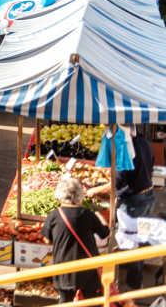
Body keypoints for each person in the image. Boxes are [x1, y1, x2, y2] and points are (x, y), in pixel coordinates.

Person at [88, 126, 154, 292]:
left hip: (134, 203)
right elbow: (149, 167)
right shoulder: (144, 142)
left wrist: (94, 191)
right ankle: (135, 278)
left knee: (131, 242)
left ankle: (133, 284)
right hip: (149, 199)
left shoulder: (125, 149)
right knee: (140, 237)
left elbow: (116, 183)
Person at [42, 177, 110, 304]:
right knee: (91, 301)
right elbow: (105, 234)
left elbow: (47, 240)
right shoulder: (88, 214)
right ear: (79, 195)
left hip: (64, 267)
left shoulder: (54, 215)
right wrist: (100, 217)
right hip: (87, 268)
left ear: (59, 195)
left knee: (65, 300)